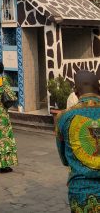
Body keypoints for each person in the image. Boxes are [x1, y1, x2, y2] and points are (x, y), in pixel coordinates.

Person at [55, 70, 100, 212]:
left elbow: (64, 160)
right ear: (99, 88)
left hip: (80, 192)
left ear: (75, 91)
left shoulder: (63, 117)